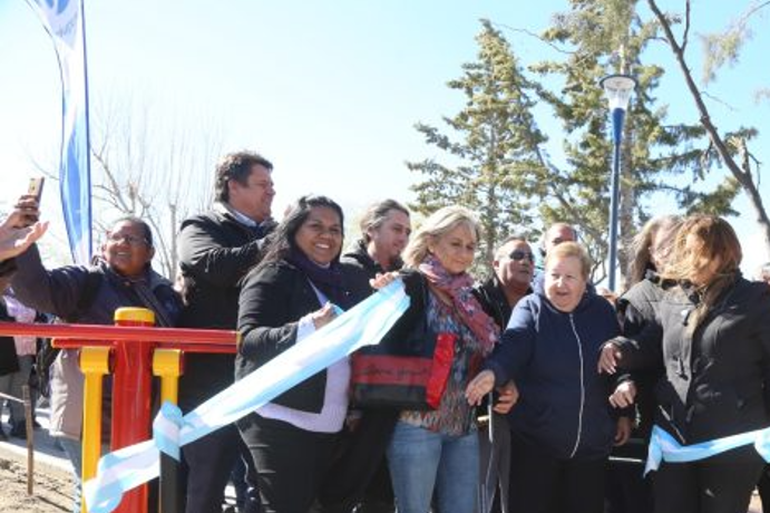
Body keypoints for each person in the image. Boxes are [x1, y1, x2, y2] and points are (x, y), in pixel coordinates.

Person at [10, 203, 182, 513]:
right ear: (103, 245)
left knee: (134, 495)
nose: (121, 243)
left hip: (143, 412)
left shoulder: (165, 294)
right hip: (88, 411)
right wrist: (23, 240)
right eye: (114, 237)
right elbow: (37, 290)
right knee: (94, 492)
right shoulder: (83, 281)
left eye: (131, 239)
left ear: (151, 252)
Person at [599, 215, 770, 513]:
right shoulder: (673, 299)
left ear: (720, 254)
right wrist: (617, 347)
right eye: (683, 251)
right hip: (674, 439)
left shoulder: (756, 299)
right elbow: (650, 345)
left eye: (692, 251)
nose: (684, 259)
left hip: (733, 442)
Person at [466, 241, 631, 513]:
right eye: (554, 275)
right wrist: (492, 373)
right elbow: (512, 347)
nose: (560, 284)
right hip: (537, 446)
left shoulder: (602, 311)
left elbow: (618, 364)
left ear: (584, 280)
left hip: (591, 450)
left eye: (569, 277)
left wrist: (624, 412)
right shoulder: (531, 307)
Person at [370, 205, 509, 513]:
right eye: (455, 243)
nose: (463, 253)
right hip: (415, 425)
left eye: (470, 246)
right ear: (432, 243)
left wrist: (500, 378)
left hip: (464, 427)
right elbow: (381, 341)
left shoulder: (471, 298)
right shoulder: (409, 285)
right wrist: (386, 294)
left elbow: (493, 349)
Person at [235, 194, 353, 513]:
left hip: (329, 426)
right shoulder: (273, 272)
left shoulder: (339, 284)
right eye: (316, 226)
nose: (327, 236)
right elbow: (249, 339)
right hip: (278, 420)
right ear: (293, 230)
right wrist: (307, 325)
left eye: (335, 229)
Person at [176, 150, 276, 513]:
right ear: (234, 186)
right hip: (209, 385)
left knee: (264, 490)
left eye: (272, 185)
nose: (272, 192)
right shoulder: (200, 226)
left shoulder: (276, 232)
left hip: (266, 380)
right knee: (206, 487)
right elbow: (213, 266)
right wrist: (274, 246)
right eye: (262, 184)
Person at [320, 199, 411, 513]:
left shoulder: (405, 277)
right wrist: (352, 406)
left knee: (381, 494)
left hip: (389, 398)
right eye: (396, 229)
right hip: (349, 401)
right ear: (371, 229)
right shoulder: (345, 271)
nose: (403, 237)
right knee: (339, 490)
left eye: (408, 232)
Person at [604, 215, 682, 513]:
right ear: (650, 251)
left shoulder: (701, 293)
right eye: (665, 245)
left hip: (687, 423)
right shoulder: (637, 298)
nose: (674, 251)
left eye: (681, 243)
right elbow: (622, 361)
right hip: (647, 420)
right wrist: (623, 414)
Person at [472, 234, 535, 513]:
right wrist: (500, 378)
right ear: (495, 263)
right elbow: (469, 353)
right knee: (478, 498)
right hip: (480, 418)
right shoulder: (475, 299)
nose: (526, 262)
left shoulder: (541, 304)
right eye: (517, 256)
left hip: (532, 420)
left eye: (531, 257)